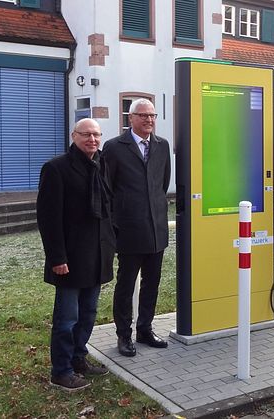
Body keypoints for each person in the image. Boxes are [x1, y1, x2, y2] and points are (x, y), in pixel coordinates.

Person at [36, 118, 115, 391]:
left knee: (88, 313)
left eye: (96, 135)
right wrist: (57, 258)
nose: (92, 139)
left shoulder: (100, 164)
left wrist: (110, 247)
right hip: (69, 259)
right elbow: (48, 219)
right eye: (86, 135)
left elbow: (106, 211)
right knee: (67, 319)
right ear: (74, 136)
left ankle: (79, 359)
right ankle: (61, 371)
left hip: (96, 256)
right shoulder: (56, 169)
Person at [102, 98, 171, 356]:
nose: (149, 120)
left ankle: (145, 330)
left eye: (152, 116)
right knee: (126, 284)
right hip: (128, 229)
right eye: (143, 116)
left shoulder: (162, 146)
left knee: (152, 282)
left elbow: (161, 185)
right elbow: (107, 190)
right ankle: (124, 335)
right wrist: (115, 224)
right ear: (130, 119)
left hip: (156, 230)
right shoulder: (114, 148)